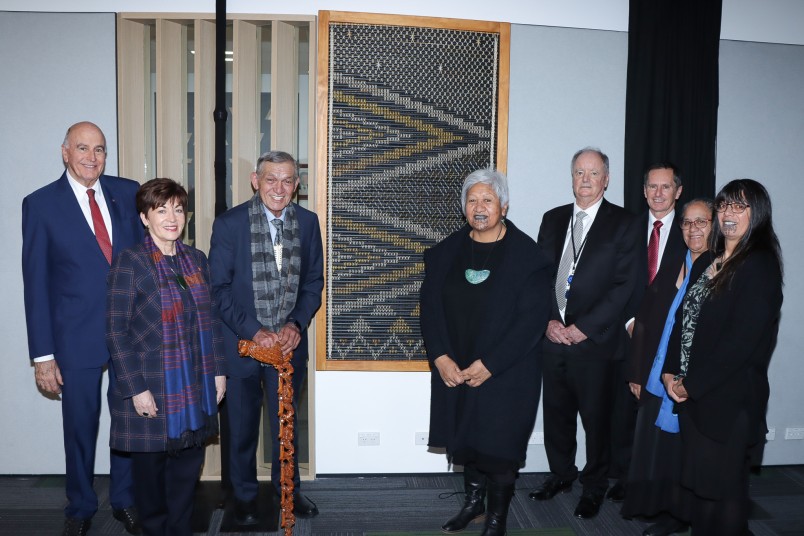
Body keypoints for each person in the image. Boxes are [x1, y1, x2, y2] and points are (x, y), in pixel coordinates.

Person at [22, 121, 143, 536]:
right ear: (65, 152)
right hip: (74, 336)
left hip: (130, 333)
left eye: (100, 149)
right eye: (83, 148)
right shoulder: (40, 205)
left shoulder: (128, 193)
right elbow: (35, 283)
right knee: (79, 425)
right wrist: (42, 355)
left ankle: (126, 499)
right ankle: (81, 504)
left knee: (128, 419)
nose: (92, 157)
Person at [420, 168, 551, 536]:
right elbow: (429, 308)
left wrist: (490, 364)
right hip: (456, 367)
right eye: (472, 200)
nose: (479, 207)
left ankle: (497, 518)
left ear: (504, 206)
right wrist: (441, 356)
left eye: (487, 200)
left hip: (508, 372)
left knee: (499, 444)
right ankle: (473, 503)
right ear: (463, 207)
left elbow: (531, 322)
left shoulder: (530, 258)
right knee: (467, 436)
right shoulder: (445, 252)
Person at [106, 178, 227, 535]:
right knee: (151, 487)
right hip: (150, 389)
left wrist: (218, 372)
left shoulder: (197, 260)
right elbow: (116, 331)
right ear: (145, 217)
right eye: (161, 210)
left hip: (194, 386)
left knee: (186, 477)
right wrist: (136, 389)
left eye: (177, 208)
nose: (172, 217)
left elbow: (213, 321)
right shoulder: (130, 262)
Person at [209, 150, 324, 525]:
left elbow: (313, 283)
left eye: (287, 180)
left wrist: (294, 324)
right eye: (270, 179)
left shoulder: (308, 223)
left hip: (288, 348)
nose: (279, 187)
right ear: (255, 181)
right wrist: (255, 332)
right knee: (240, 431)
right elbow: (219, 290)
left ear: (297, 185)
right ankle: (242, 498)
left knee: (284, 428)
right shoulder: (229, 225)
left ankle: (287, 491)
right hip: (242, 347)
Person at [663, 179, 783, 535]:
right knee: (702, 493)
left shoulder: (758, 266)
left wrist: (691, 385)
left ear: (757, 214)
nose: (729, 213)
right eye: (725, 205)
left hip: (729, 402)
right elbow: (682, 319)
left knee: (725, 498)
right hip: (696, 398)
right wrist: (671, 372)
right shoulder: (710, 261)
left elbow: (740, 344)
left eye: (740, 206)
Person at [528, 147, 640, 520]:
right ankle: (561, 474)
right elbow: (539, 276)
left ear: (606, 180)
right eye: (579, 172)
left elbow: (624, 286)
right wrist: (548, 321)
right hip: (552, 337)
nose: (586, 180)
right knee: (557, 416)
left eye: (594, 173)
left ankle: (594, 486)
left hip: (595, 343)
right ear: (572, 177)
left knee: (597, 421)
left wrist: (584, 328)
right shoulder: (552, 218)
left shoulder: (624, 223)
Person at [621, 198, 715, 535]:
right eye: (687, 223)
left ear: (714, 225)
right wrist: (636, 371)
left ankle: (679, 516)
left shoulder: (717, 267)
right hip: (658, 371)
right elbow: (646, 317)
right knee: (657, 448)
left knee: (682, 452)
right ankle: (660, 508)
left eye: (701, 222)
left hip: (691, 378)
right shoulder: (678, 259)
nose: (693, 229)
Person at [609, 163, 686, 504]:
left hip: (669, 336)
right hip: (627, 333)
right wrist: (629, 322)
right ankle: (625, 480)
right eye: (652, 186)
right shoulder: (626, 228)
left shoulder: (692, 231)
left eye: (665, 187)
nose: (658, 193)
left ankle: (656, 485)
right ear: (643, 191)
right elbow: (613, 278)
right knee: (624, 412)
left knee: (658, 414)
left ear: (677, 191)